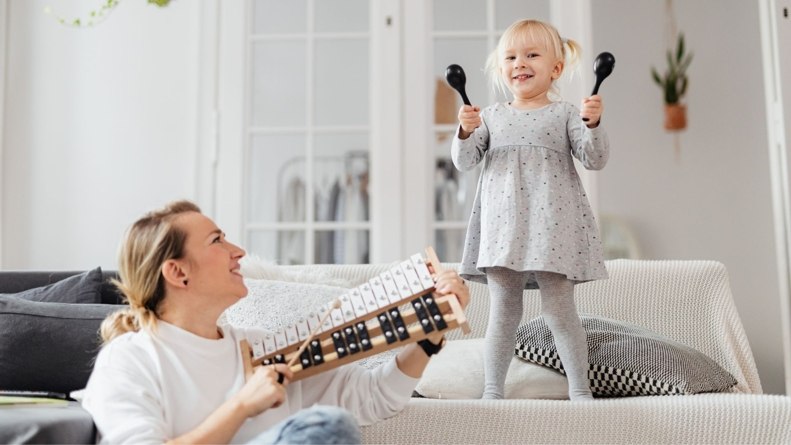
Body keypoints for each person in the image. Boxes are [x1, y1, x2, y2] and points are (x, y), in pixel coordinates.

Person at [82, 200, 469, 444]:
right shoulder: (131, 358)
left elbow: (374, 398)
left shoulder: (263, 350)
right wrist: (241, 406)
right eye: (217, 241)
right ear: (178, 272)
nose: (238, 252)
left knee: (330, 425)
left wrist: (431, 330)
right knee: (324, 428)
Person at [451, 19, 609, 401]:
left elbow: (595, 158)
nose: (520, 63)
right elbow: (464, 160)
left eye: (532, 55)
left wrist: (593, 125)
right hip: (503, 231)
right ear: (501, 67)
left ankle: (580, 391)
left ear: (556, 68)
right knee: (503, 314)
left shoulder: (566, 114)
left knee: (560, 312)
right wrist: (465, 131)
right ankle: (493, 391)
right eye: (510, 57)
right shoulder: (490, 116)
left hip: (553, 229)